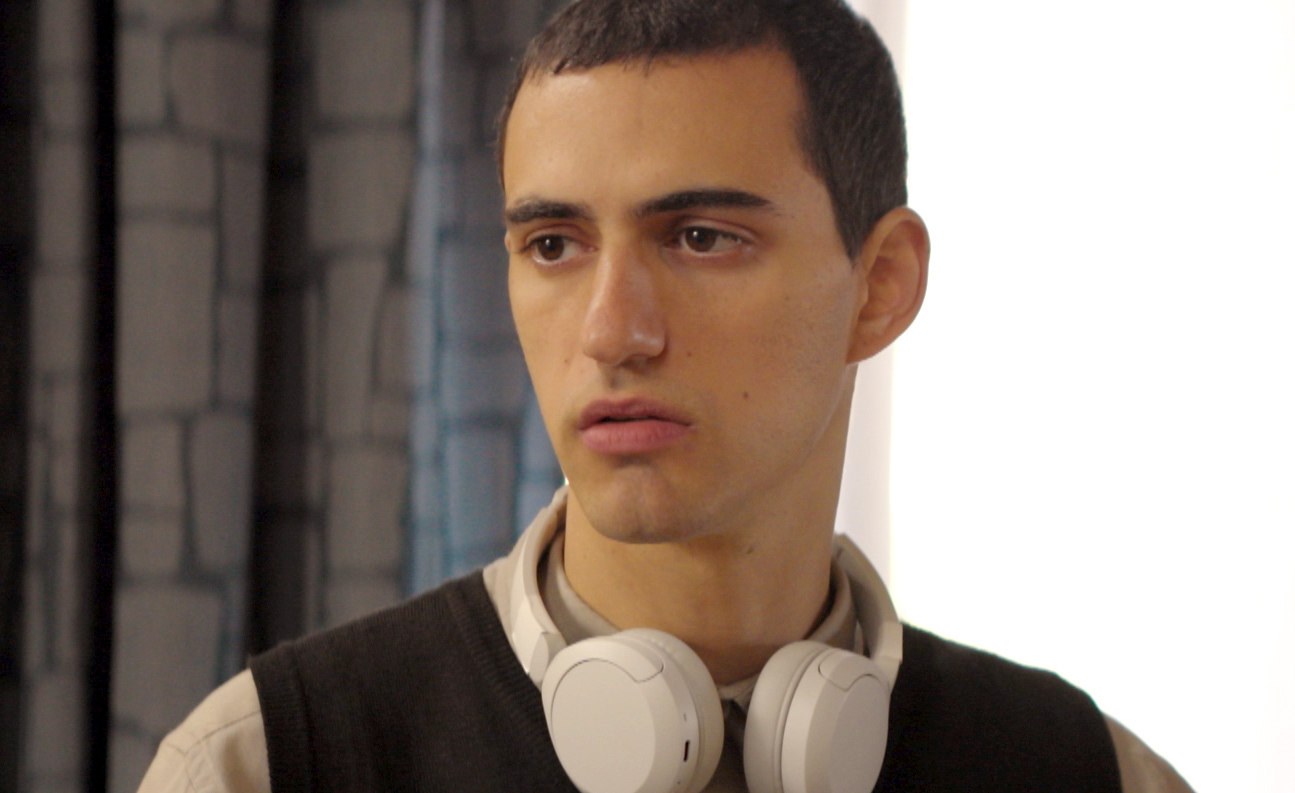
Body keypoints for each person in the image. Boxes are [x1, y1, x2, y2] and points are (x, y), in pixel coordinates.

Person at [139, 1, 1194, 791]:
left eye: (699, 237)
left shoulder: (1088, 775)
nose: (612, 331)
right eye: (553, 245)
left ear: (879, 286)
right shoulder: (265, 765)